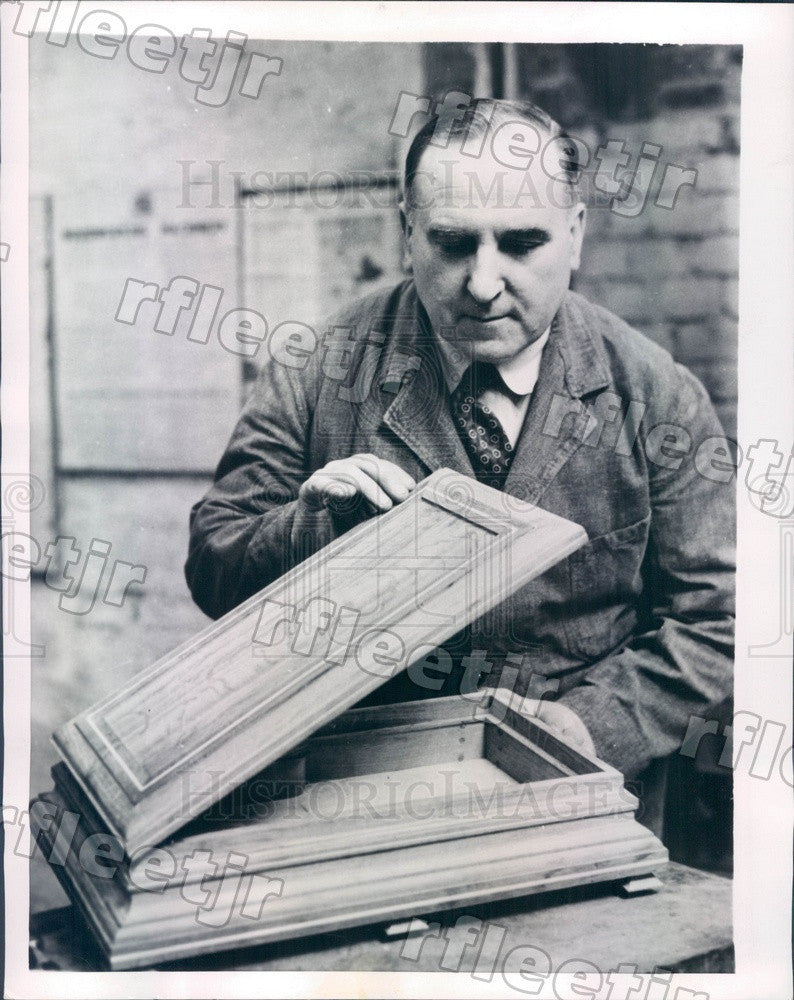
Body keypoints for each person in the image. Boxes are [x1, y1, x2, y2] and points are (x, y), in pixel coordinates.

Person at [185, 99, 734, 817]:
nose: (482, 284)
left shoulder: (656, 393)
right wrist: (311, 533)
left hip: (585, 793)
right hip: (369, 791)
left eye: (521, 242)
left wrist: (585, 727)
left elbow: (716, 618)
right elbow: (214, 560)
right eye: (451, 244)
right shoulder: (320, 368)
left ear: (575, 235)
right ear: (408, 232)